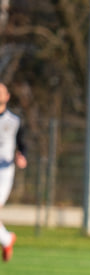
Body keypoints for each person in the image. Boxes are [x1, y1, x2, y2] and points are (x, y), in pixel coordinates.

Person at [0, 82, 27, 263]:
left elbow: (22, 143)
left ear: (7, 96)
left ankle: (7, 239)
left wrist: (22, 155)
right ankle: (7, 239)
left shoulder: (14, 121)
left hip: (4, 170)